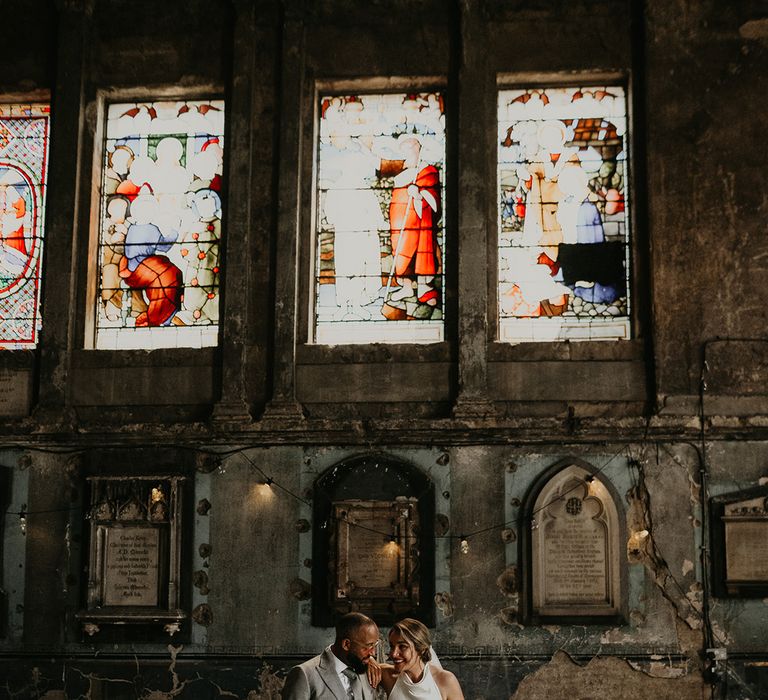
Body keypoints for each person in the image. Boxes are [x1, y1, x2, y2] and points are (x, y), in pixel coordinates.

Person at [282, 612, 380, 700]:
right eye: (368, 646)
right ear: (346, 644)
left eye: (374, 645)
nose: (373, 653)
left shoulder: (366, 667)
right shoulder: (304, 675)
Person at [367, 618, 464, 700]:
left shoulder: (446, 680)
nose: (393, 654)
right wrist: (369, 659)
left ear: (421, 649)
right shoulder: (387, 675)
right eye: (392, 646)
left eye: (402, 647)